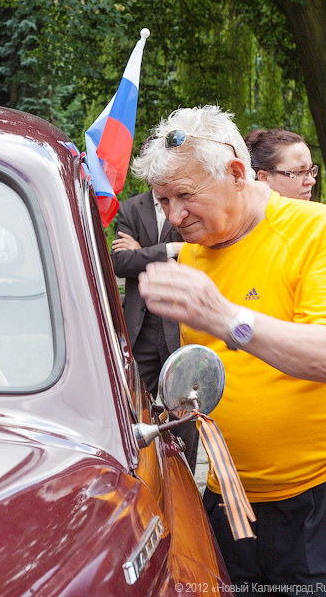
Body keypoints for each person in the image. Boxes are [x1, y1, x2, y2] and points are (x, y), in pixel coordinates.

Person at [132, 105, 326, 592]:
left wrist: (226, 318)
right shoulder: (195, 248)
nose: (173, 216)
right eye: (163, 200)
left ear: (236, 173)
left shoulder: (316, 230)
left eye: (185, 197)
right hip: (236, 497)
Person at [110, 189, 199, 472]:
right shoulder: (130, 208)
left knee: (184, 411)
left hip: (181, 326)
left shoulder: (192, 203)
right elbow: (120, 264)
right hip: (140, 329)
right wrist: (170, 251)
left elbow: (197, 256)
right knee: (130, 407)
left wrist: (141, 253)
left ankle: (182, 476)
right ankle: (134, 471)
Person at [246, 127, 326, 298]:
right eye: (299, 172)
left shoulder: (320, 221)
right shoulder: (237, 228)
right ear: (263, 177)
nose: (312, 180)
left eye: (311, 170)